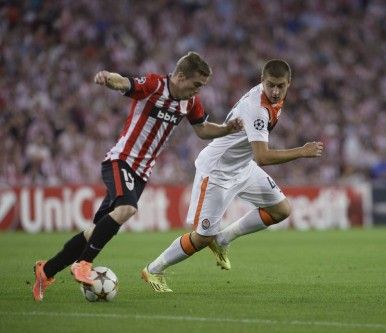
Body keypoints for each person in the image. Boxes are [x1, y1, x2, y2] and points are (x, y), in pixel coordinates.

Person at [32, 51, 244, 301]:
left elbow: (202, 130)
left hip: (141, 172)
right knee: (127, 209)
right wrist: (107, 77)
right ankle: (83, 264)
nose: (197, 91)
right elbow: (125, 82)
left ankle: (45, 271)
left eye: (202, 86)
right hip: (121, 160)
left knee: (96, 231)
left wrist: (226, 129)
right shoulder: (155, 85)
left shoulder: (191, 103)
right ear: (179, 76)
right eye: (196, 84)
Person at [142, 59, 324, 292]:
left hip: (242, 167)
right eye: (270, 85)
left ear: (289, 84)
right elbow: (263, 157)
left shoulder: (273, 99)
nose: (275, 91)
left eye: (280, 86)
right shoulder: (257, 108)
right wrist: (302, 151)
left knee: (281, 210)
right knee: (202, 237)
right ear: (262, 81)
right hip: (217, 172)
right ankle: (153, 269)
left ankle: (224, 239)